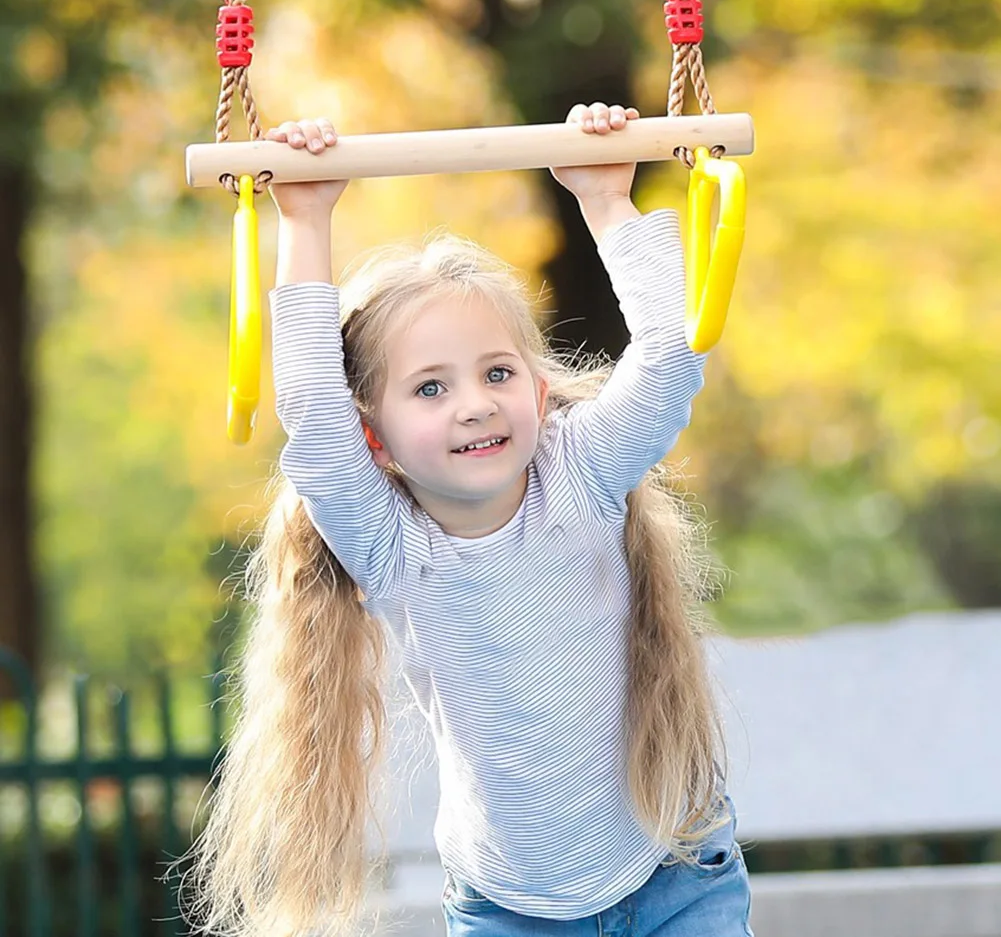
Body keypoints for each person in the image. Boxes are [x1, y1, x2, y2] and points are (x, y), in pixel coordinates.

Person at [183, 103, 753, 937]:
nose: (474, 404)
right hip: (510, 908)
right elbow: (310, 410)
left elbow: (669, 358)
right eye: (430, 387)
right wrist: (304, 220)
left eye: (496, 372)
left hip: (673, 870)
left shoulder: (579, 473)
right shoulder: (392, 546)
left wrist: (605, 200)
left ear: (536, 389)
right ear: (374, 439)